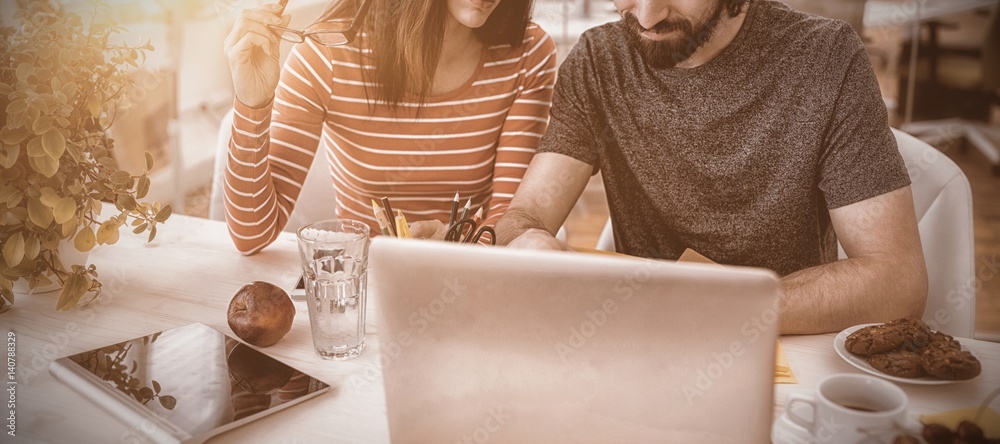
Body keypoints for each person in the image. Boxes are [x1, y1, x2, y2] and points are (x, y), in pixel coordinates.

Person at [495, 0, 928, 334]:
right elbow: (524, 216)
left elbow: (896, 279)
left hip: (779, 346)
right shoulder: (598, 60)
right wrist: (525, 239)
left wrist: (710, 306)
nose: (646, 16)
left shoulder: (824, 58)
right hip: (645, 347)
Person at [223, 0, 556, 254]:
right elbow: (251, 235)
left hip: (471, 277)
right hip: (362, 286)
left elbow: (509, 216)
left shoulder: (528, 54)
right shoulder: (327, 58)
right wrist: (252, 104)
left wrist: (454, 259)